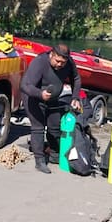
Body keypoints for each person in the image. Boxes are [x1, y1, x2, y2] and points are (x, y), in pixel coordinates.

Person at [20, 43, 83, 174]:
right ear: (52, 55)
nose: (60, 65)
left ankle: (54, 154)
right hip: (34, 97)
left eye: (63, 62)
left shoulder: (69, 62)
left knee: (54, 126)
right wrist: (40, 94)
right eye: (57, 61)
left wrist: (75, 97)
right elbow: (24, 85)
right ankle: (40, 161)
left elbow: (76, 78)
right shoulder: (40, 62)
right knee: (38, 128)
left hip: (53, 99)